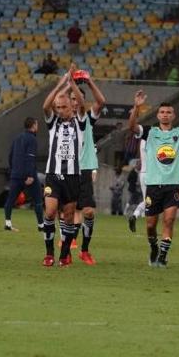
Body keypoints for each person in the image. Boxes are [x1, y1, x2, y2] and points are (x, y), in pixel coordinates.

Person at [128, 90, 179, 267]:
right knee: (150, 226)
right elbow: (132, 127)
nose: (165, 115)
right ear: (157, 115)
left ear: (173, 115)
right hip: (154, 185)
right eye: (162, 112)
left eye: (169, 112)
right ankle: (154, 248)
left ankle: (163, 255)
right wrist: (136, 107)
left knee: (169, 220)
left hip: (172, 186)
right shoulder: (150, 132)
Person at [40, 68, 89, 267]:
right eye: (58, 107)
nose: (59, 110)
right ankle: (49, 253)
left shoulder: (80, 121)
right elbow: (45, 106)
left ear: (72, 106)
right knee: (50, 212)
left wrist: (73, 86)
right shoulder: (53, 123)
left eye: (63, 107)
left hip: (73, 176)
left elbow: (83, 105)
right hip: (53, 174)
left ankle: (65, 253)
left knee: (69, 217)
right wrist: (61, 85)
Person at [71, 72, 106, 265]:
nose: (75, 102)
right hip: (65, 168)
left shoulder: (86, 119)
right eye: (72, 99)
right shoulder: (61, 119)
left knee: (88, 212)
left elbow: (101, 101)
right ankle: (67, 246)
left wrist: (89, 81)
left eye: (79, 99)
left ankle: (85, 250)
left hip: (83, 169)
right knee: (67, 212)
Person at [3, 117, 44, 233]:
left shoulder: (17, 138)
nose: (38, 126)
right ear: (33, 125)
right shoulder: (32, 139)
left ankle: (8, 223)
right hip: (28, 175)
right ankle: (41, 225)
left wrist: (13, 169)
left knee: (11, 200)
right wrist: (30, 175)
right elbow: (30, 158)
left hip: (16, 174)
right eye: (37, 124)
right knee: (37, 199)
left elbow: (10, 155)